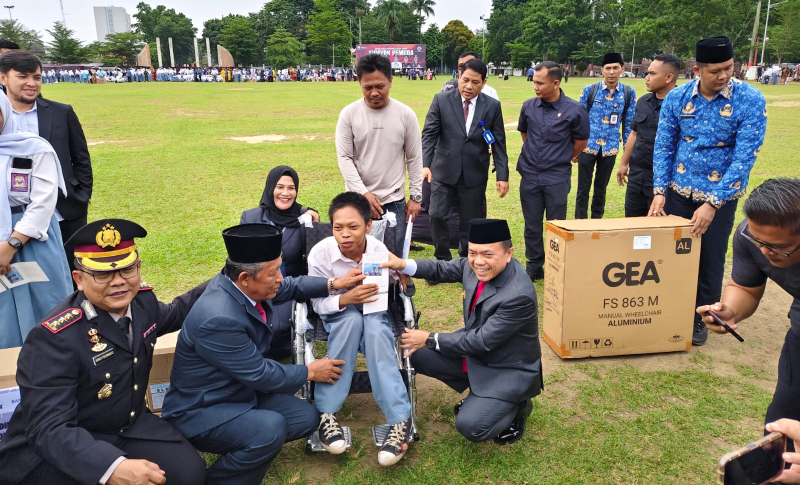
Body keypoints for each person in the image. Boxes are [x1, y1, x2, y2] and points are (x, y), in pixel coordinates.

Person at [0, 218, 208, 485]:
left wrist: (234, 270)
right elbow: (48, 429)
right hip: (61, 444)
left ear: (139, 268)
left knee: (189, 473)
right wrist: (112, 467)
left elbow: (179, 311)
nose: (118, 282)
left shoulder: (143, 303)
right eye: (103, 274)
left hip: (127, 424)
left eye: (127, 270)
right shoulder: (53, 338)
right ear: (79, 280)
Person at [161, 224, 366, 485]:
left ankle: (247, 438)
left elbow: (292, 286)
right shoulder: (219, 318)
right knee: (269, 430)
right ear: (245, 277)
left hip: (239, 391)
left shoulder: (245, 285)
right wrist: (310, 372)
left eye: (280, 268)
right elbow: (260, 374)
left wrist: (335, 283)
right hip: (204, 409)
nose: (280, 277)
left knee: (306, 418)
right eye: (274, 273)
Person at [381, 218, 542, 444]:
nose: (478, 262)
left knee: (471, 426)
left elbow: (481, 341)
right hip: (475, 355)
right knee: (412, 352)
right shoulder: (473, 264)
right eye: (472, 253)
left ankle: (518, 405)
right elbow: (441, 268)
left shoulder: (518, 295)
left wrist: (429, 337)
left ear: (509, 253)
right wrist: (403, 265)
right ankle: (481, 394)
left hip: (504, 369)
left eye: (487, 254)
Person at [650, 36, 767, 346]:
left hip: (719, 197)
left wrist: (712, 203)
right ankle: (672, 312)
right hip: (677, 192)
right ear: (697, 69)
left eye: (729, 68)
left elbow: (745, 158)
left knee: (710, 258)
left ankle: (703, 316)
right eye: (715, 70)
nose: (724, 76)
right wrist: (660, 191)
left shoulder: (750, 100)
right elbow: (663, 145)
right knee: (673, 257)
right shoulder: (677, 99)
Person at [306, 192, 413, 466]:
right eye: (337, 227)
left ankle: (400, 420)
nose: (345, 234)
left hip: (375, 310)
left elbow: (394, 282)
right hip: (338, 313)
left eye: (353, 227)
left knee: (377, 333)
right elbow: (317, 303)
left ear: (368, 225)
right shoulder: (320, 254)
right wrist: (344, 298)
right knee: (350, 322)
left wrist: (401, 276)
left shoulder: (378, 250)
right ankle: (326, 413)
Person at [696, 179, 800, 438]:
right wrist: (729, 311)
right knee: (781, 425)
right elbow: (746, 288)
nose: (765, 251)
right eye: (758, 242)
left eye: (778, 248)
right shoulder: (752, 237)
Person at [0, 51, 93, 259]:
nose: (31, 83)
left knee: (72, 271)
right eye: (23, 76)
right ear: (3, 78)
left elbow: (81, 158)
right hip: (11, 216)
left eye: (37, 77)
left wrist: (83, 194)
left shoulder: (61, 112)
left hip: (64, 212)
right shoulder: (1, 118)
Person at [0, 89, 73, 349]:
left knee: (50, 310)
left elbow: (43, 202)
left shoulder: (33, 147)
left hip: (34, 240)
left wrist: (11, 246)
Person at [335, 54, 423, 256]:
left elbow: (414, 158)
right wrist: (363, 193)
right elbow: (345, 158)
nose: (374, 92)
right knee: (357, 255)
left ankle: (399, 288)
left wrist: (416, 197)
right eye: (367, 87)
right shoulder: (349, 114)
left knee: (394, 257)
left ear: (391, 81)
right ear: (359, 83)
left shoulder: (405, 115)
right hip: (357, 200)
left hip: (394, 201)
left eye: (380, 86)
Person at [422, 58, 509, 260]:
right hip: (443, 170)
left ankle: (465, 260)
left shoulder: (492, 106)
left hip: (474, 173)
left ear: (484, 82)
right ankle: (442, 258)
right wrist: (425, 164)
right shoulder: (441, 100)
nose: (469, 86)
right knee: (437, 215)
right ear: (459, 77)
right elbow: (429, 135)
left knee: (471, 220)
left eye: (475, 82)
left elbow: (498, 142)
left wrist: (502, 175)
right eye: (465, 80)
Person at [517, 61, 589, 281]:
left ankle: (556, 265)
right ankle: (534, 265)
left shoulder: (574, 110)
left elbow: (581, 142)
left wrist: (561, 157)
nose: (535, 86)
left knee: (556, 225)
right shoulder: (529, 106)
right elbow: (525, 134)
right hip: (530, 174)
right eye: (533, 81)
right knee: (531, 224)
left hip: (556, 176)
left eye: (540, 83)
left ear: (556, 83)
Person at [240, 165, 319, 359]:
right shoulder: (251, 217)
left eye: (291, 188)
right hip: (255, 285)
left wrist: (310, 217)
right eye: (280, 187)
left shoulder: (304, 219)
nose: (285, 193)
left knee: (277, 328)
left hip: (287, 286)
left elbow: (312, 261)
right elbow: (241, 257)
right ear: (270, 188)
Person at [616, 54, 681, 217]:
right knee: (632, 224)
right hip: (637, 175)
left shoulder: (682, 106)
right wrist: (624, 163)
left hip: (663, 180)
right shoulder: (643, 102)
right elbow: (634, 133)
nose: (647, 77)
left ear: (668, 77)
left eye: (652, 73)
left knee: (658, 228)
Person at [575, 52, 637, 219]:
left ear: (622, 69)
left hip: (610, 148)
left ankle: (597, 222)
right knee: (583, 188)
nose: (611, 72)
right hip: (588, 146)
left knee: (601, 188)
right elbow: (578, 121)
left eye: (615, 68)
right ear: (601, 70)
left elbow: (629, 126)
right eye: (608, 68)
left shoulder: (628, 93)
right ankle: (580, 223)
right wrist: (575, 148)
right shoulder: (590, 90)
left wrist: (627, 153)